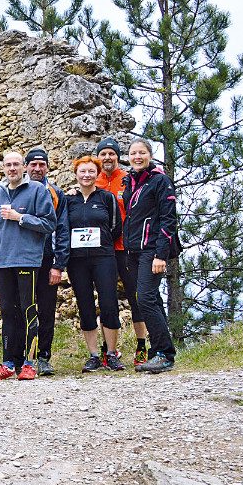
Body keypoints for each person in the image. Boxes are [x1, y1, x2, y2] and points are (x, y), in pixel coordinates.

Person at [0, 151, 57, 381]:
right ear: (3, 168)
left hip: (28, 260)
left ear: (24, 167)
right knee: (7, 312)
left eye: (16, 164)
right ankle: (8, 363)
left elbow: (49, 223)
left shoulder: (37, 190)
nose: (12, 168)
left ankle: (29, 363)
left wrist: (20, 218)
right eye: (8, 165)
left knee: (28, 311)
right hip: (3, 262)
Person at [123, 139, 179, 373]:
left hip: (151, 250)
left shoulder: (160, 181)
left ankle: (164, 353)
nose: (137, 156)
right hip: (134, 250)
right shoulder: (132, 181)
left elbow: (169, 219)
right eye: (133, 153)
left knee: (144, 298)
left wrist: (160, 255)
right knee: (151, 299)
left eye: (142, 152)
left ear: (150, 155)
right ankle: (161, 352)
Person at [66, 156, 125, 372]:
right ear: (76, 174)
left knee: (109, 303)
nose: (87, 175)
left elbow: (116, 226)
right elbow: (63, 228)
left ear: (97, 173)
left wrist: (102, 242)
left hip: (104, 258)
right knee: (85, 306)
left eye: (91, 171)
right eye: (83, 171)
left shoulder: (106, 198)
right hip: (77, 260)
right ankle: (93, 355)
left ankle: (111, 354)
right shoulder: (68, 199)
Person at [96, 136, 148, 365]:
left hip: (126, 247)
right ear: (98, 158)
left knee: (136, 298)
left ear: (118, 156)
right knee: (106, 299)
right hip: (103, 250)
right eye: (103, 154)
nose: (107, 157)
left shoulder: (127, 180)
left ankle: (142, 346)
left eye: (111, 153)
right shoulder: (92, 180)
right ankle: (108, 348)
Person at [24, 148, 70, 376]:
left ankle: (44, 357)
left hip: (46, 259)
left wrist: (58, 264)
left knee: (46, 310)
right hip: (21, 260)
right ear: (26, 167)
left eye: (42, 165)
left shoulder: (56, 193)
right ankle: (25, 357)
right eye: (33, 164)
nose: (37, 169)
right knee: (22, 309)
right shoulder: (16, 191)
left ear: (48, 168)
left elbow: (62, 229)